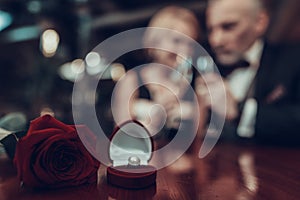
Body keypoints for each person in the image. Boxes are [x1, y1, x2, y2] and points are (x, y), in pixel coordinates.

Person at [197, 0, 300, 144]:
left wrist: (240, 112)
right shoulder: (201, 63)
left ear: (260, 22)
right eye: (211, 30)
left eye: (228, 27)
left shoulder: (293, 60)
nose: (216, 41)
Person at [113, 6, 201, 141]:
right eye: (176, 41)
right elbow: (121, 138)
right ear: (156, 40)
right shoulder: (131, 80)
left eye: (190, 44)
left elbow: (199, 138)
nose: (184, 50)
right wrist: (157, 115)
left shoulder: (194, 83)